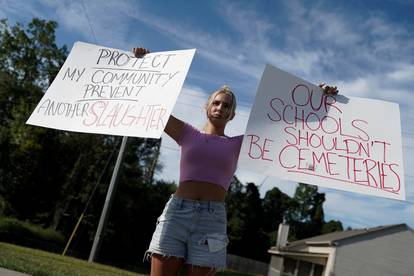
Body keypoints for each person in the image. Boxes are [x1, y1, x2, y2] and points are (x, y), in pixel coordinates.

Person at [133, 47, 338, 276]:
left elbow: (286, 127)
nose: (221, 108)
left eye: (227, 105)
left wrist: (317, 98)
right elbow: (154, 107)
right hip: (176, 214)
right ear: (207, 107)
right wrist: (143, 65)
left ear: (232, 114)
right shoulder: (187, 133)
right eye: (217, 103)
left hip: (211, 220)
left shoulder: (240, 144)